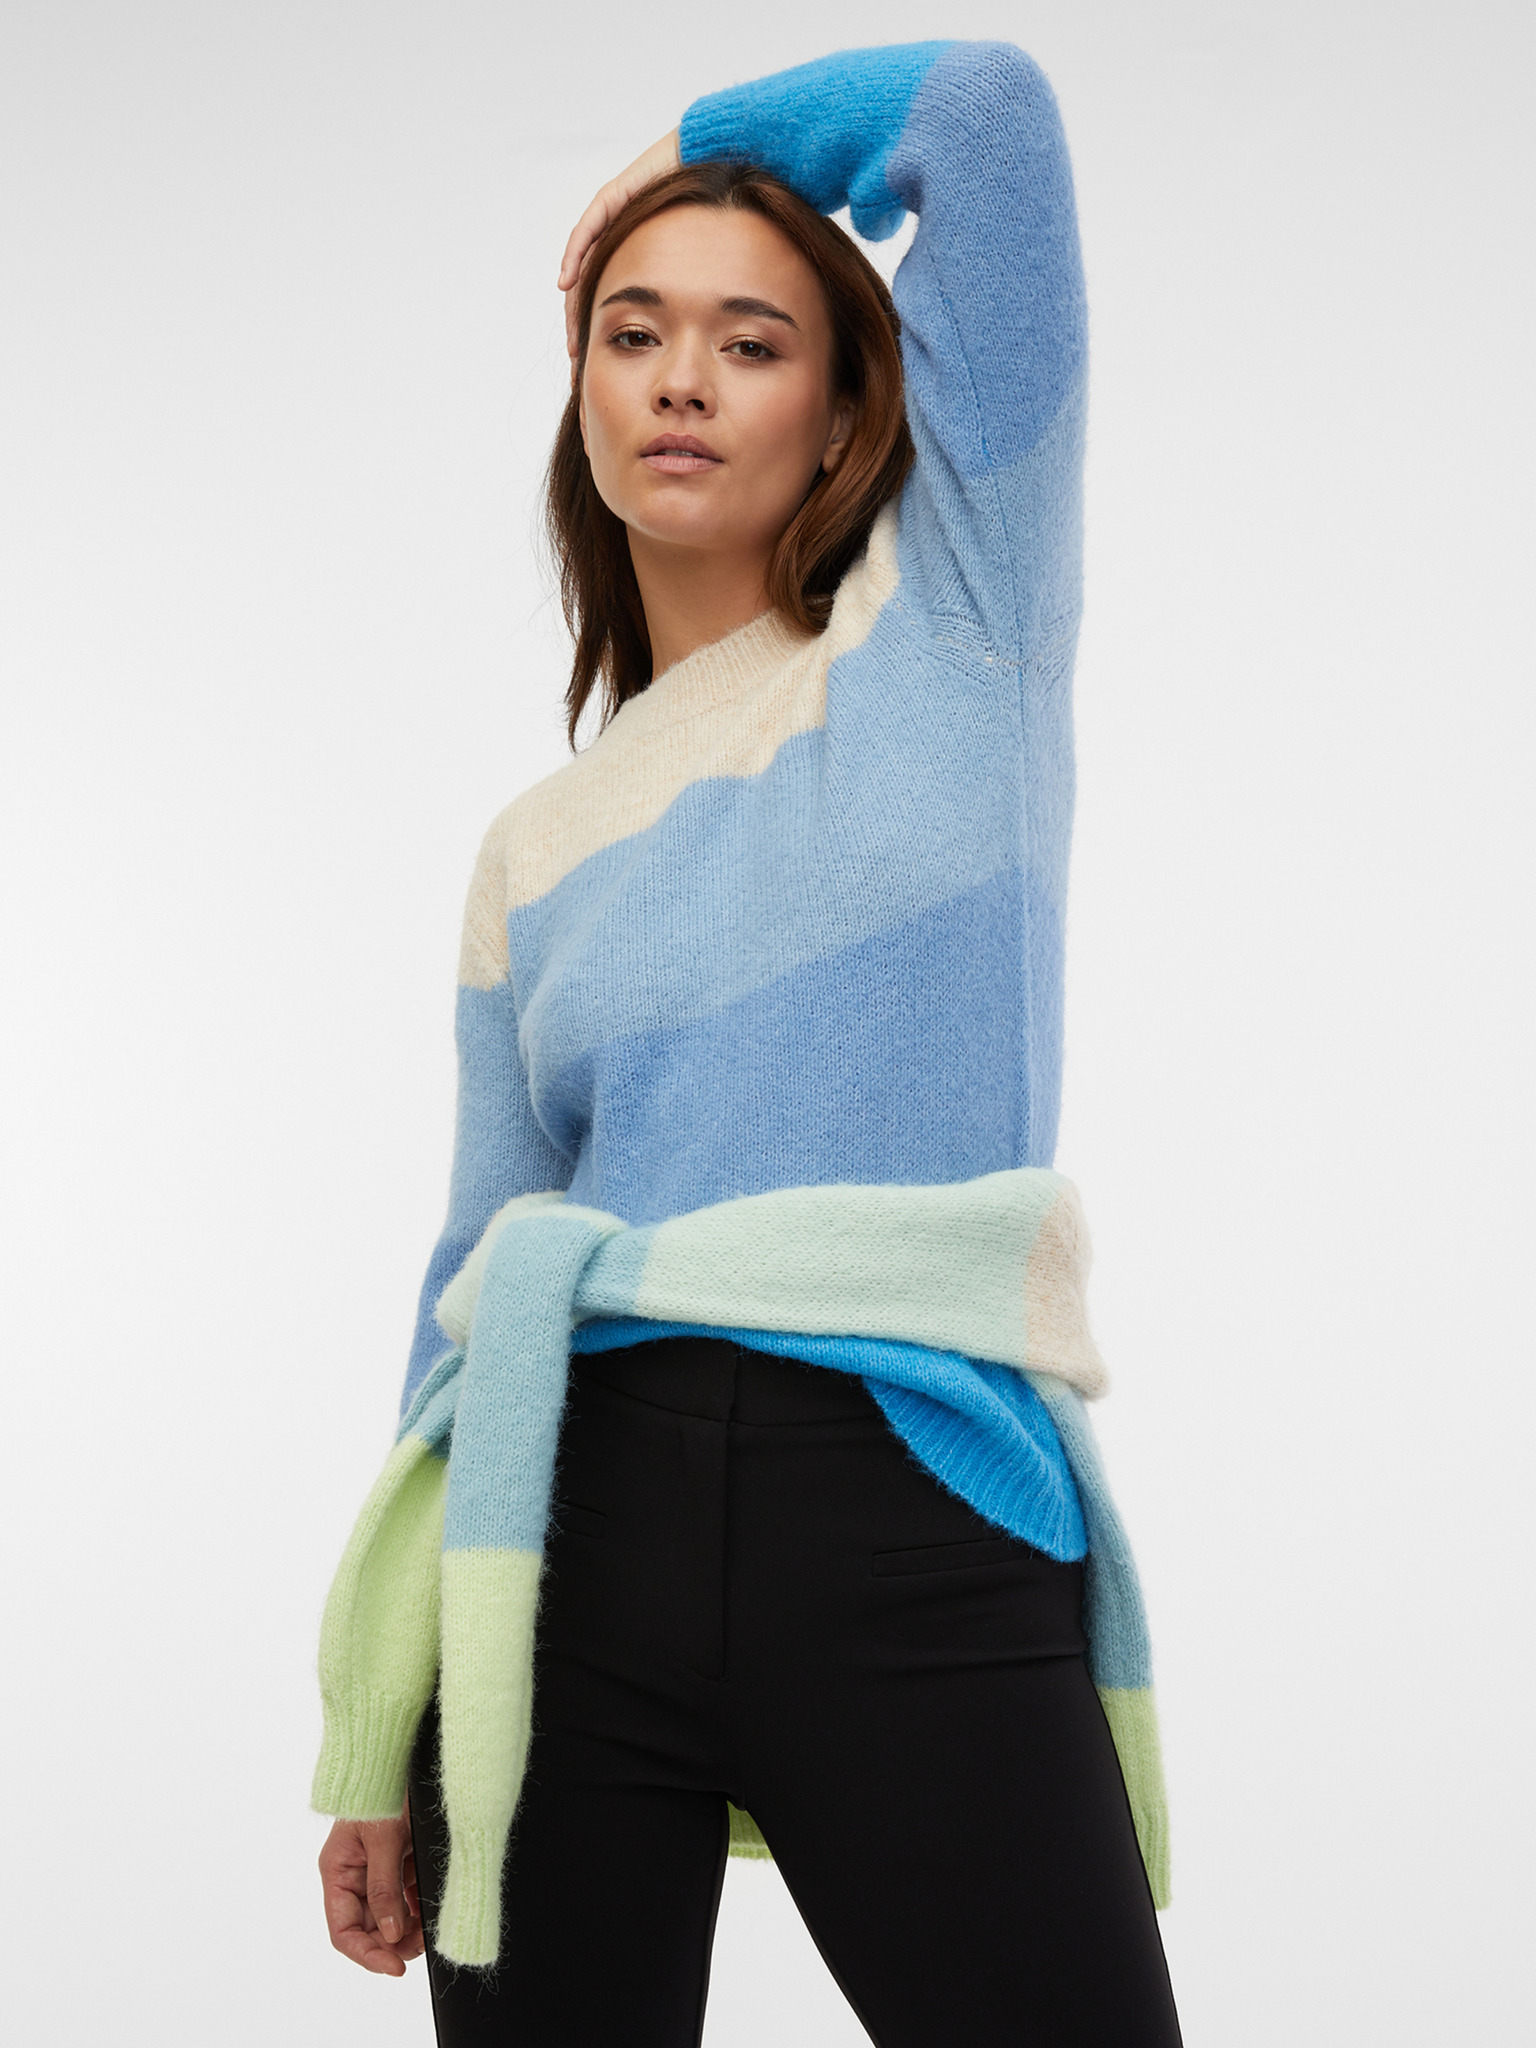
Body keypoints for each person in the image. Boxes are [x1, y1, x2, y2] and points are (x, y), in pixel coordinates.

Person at [315, 39, 1183, 2047]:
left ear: (852, 408)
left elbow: (982, 113)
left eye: (751, 339)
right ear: (584, 397)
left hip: (902, 1500)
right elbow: (468, 1281)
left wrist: (688, 153)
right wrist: (379, 1712)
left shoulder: (959, 629)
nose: (682, 377)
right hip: (561, 1534)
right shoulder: (532, 851)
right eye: (633, 332)